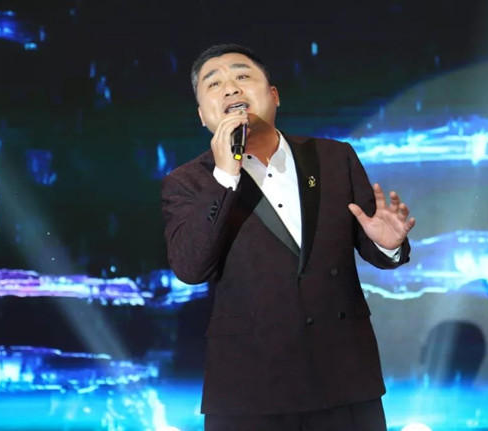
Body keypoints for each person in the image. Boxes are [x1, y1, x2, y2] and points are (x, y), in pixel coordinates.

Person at [161, 43, 415, 431]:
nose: (231, 88)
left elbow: (372, 246)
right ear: (202, 115)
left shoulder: (333, 158)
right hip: (249, 390)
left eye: (242, 76)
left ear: (274, 95)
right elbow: (191, 268)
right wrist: (225, 176)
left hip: (344, 378)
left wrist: (387, 244)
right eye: (214, 84)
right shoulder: (188, 182)